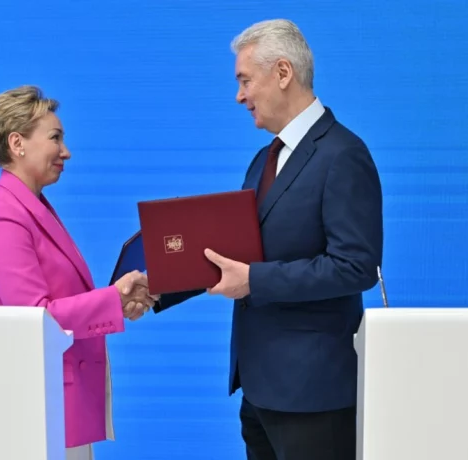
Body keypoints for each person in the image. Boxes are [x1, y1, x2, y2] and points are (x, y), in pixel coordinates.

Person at [153, 19, 383, 460]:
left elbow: (356, 266)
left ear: (282, 72)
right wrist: (160, 285)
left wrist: (255, 281)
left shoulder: (344, 154)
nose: (239, 96)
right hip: (259, 392)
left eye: (245, 81)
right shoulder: (264, 159)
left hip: (314, 396)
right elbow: (238, 253)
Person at [0, 85, 156, 460]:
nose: (65, 151)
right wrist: (113, 298)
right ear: (17, 143)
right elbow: (35, 317)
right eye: (55, 138)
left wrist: (119, 303)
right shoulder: (4, 215)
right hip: (35, 406)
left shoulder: (30, 206)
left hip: (54, 400)